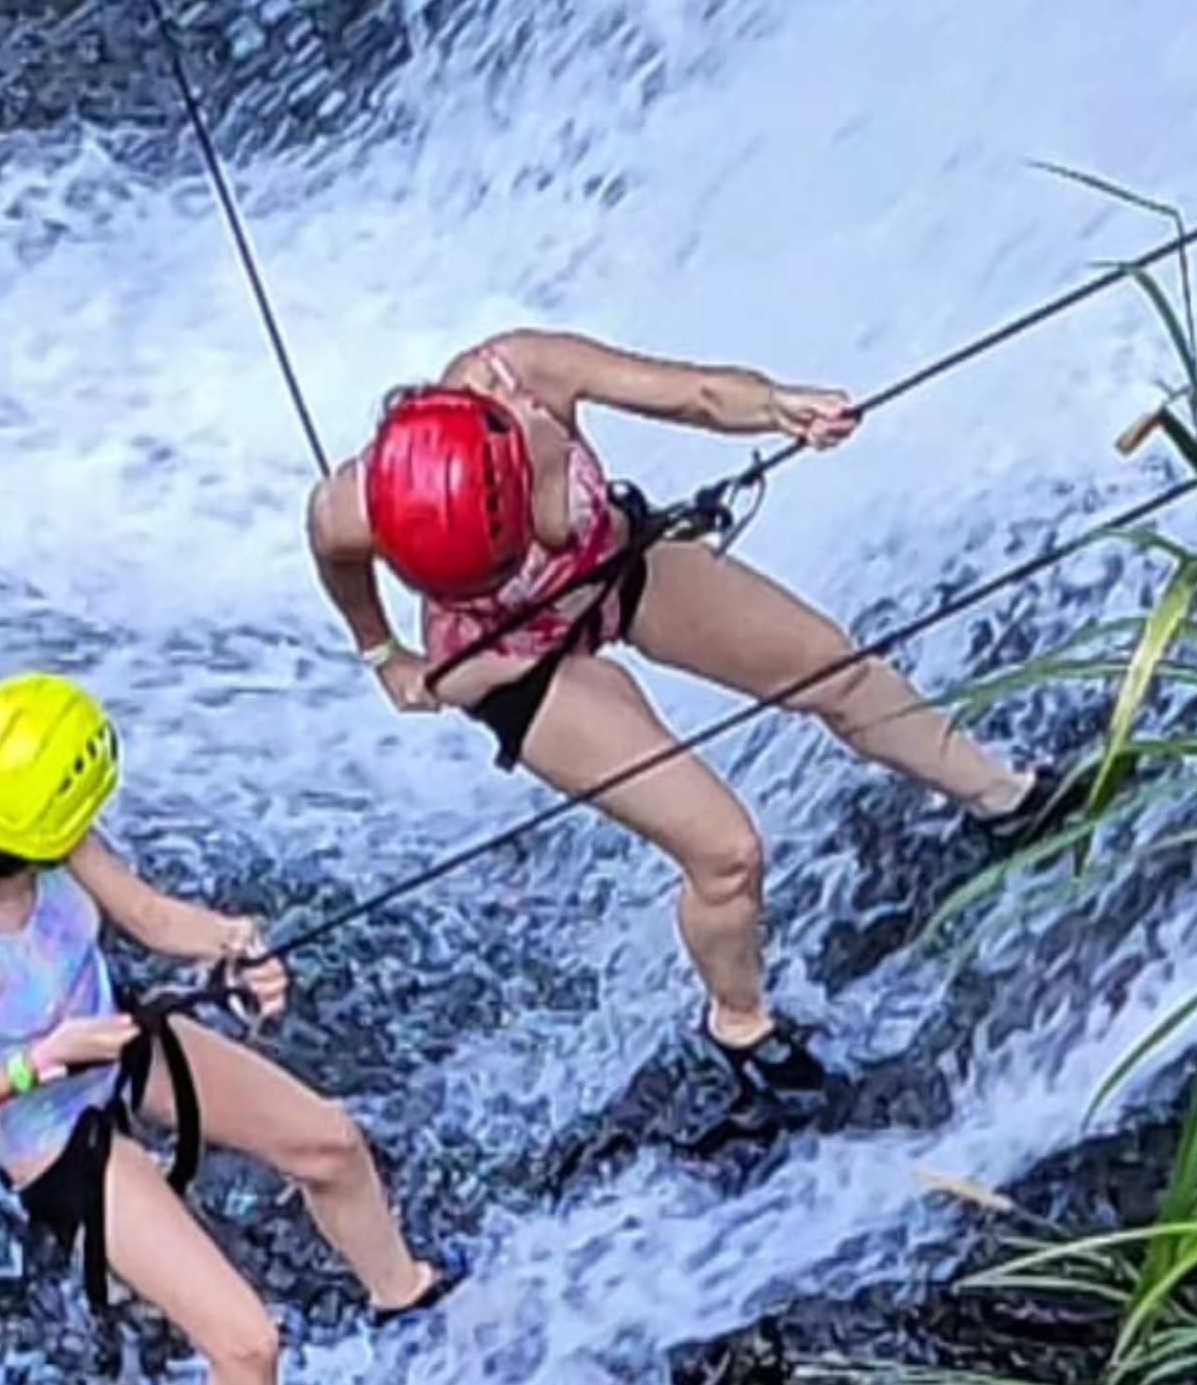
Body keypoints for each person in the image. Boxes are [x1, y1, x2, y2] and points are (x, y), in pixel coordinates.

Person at [308, 329, 1086, 1094]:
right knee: (725, 853)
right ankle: (738, 1023)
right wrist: (383, 655)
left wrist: (779, 406)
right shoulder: (358, 503)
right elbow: (330, 545)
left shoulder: (523, 370)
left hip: (611, 563)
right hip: (512, 663)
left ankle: (1003, 796)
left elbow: (691, 392)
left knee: (836, 670)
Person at [0, 672, 453, 1385]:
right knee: (244, 1341)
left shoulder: (53, 850)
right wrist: (46, 1059)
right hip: (56, 1132)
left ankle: (405, 1293)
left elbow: (146, 916)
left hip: (112, 1044)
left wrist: (235, 943)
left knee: (329, 1143)